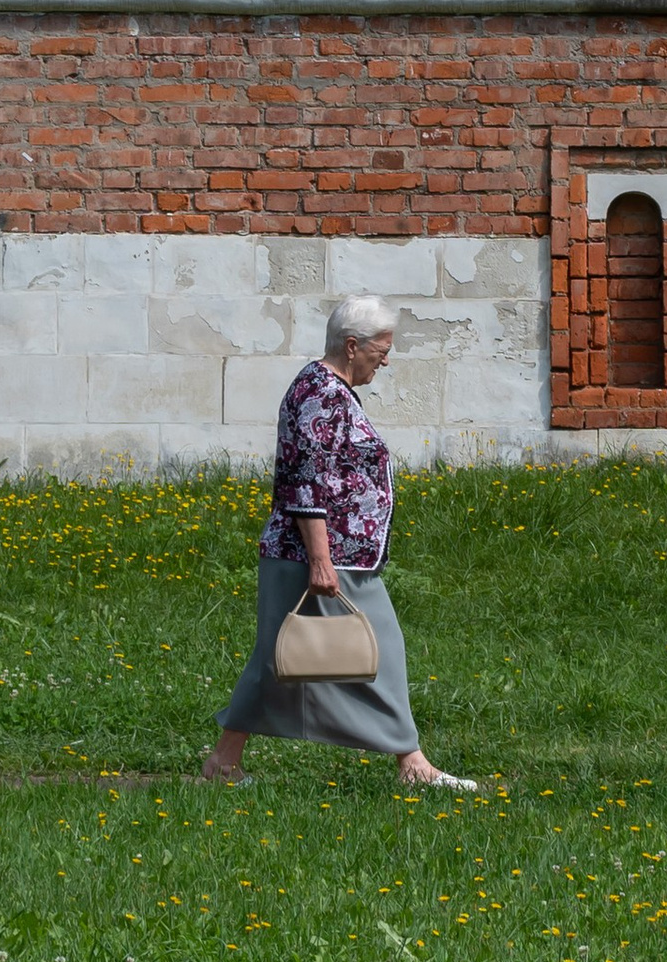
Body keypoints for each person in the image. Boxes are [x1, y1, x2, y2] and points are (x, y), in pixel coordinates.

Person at [202, 292, 476, 789]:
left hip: (335, 555)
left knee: (278, 660)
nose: (386, 359)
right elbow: (306, 480)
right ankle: (411, 764)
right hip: (322, 557)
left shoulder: (330, 390)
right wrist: (321, 560)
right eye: (381, 349)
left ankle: (223, 763)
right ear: (353, 346)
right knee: (364, 652)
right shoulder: (319, 394)